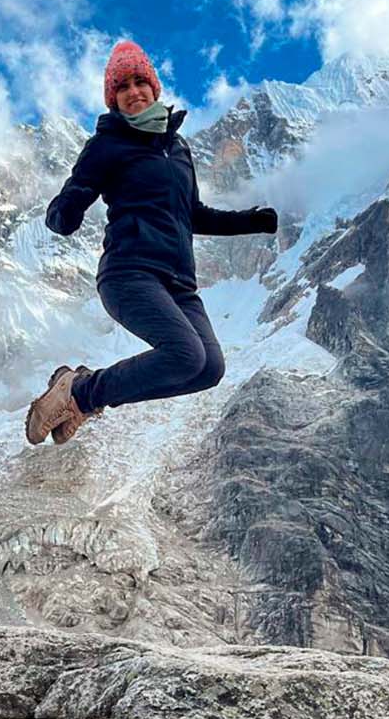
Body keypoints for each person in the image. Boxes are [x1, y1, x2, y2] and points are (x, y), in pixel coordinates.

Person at [25, 39, 279, 446]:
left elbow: (192, 213)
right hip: (130, 274)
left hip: (179, 284)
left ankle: (80, 394)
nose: (133, 92)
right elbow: (74, 194)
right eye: (122, 86)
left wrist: (250, 221)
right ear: (113, 98)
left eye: (139, 82)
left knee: (209, 368)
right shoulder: (107, 145)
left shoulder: (177, 148)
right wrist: (63, 213)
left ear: (154, 87)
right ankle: (81, 394)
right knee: (185, 354)